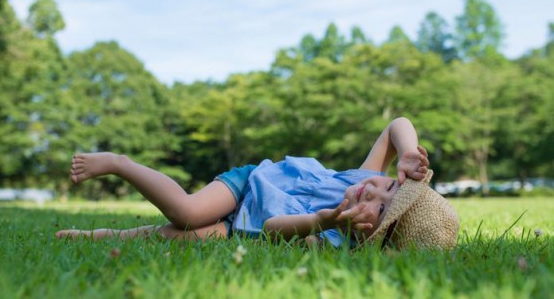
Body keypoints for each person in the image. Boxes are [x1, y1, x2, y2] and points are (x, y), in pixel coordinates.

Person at [56, 117, 459, 249]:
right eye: (391, 185)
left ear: (373, 234)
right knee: (188, 211)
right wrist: (409, 151)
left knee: (180, 236)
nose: (374, 189)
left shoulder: (337, 235)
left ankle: (94, 235)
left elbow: (270, 229)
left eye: (384, 206)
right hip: (250, 183)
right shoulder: (364, 176)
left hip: (239, 227)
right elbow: (398, 125)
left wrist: (325, 221)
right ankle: (119, 163)